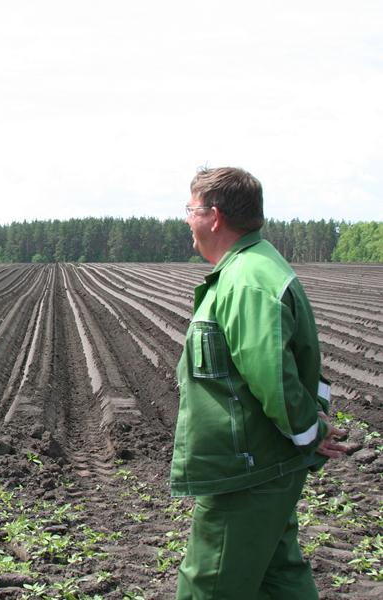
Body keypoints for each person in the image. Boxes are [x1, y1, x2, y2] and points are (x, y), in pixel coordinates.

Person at [170, 166, 348, 599]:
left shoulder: (246, 280)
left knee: (209, 583)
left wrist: (311, 431)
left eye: (190, 209)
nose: (185, 220)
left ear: (213, 216)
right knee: (279, 578)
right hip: (267, 465)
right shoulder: (251, 267)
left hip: (247, 470)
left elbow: (273, 376)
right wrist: (308, 433)